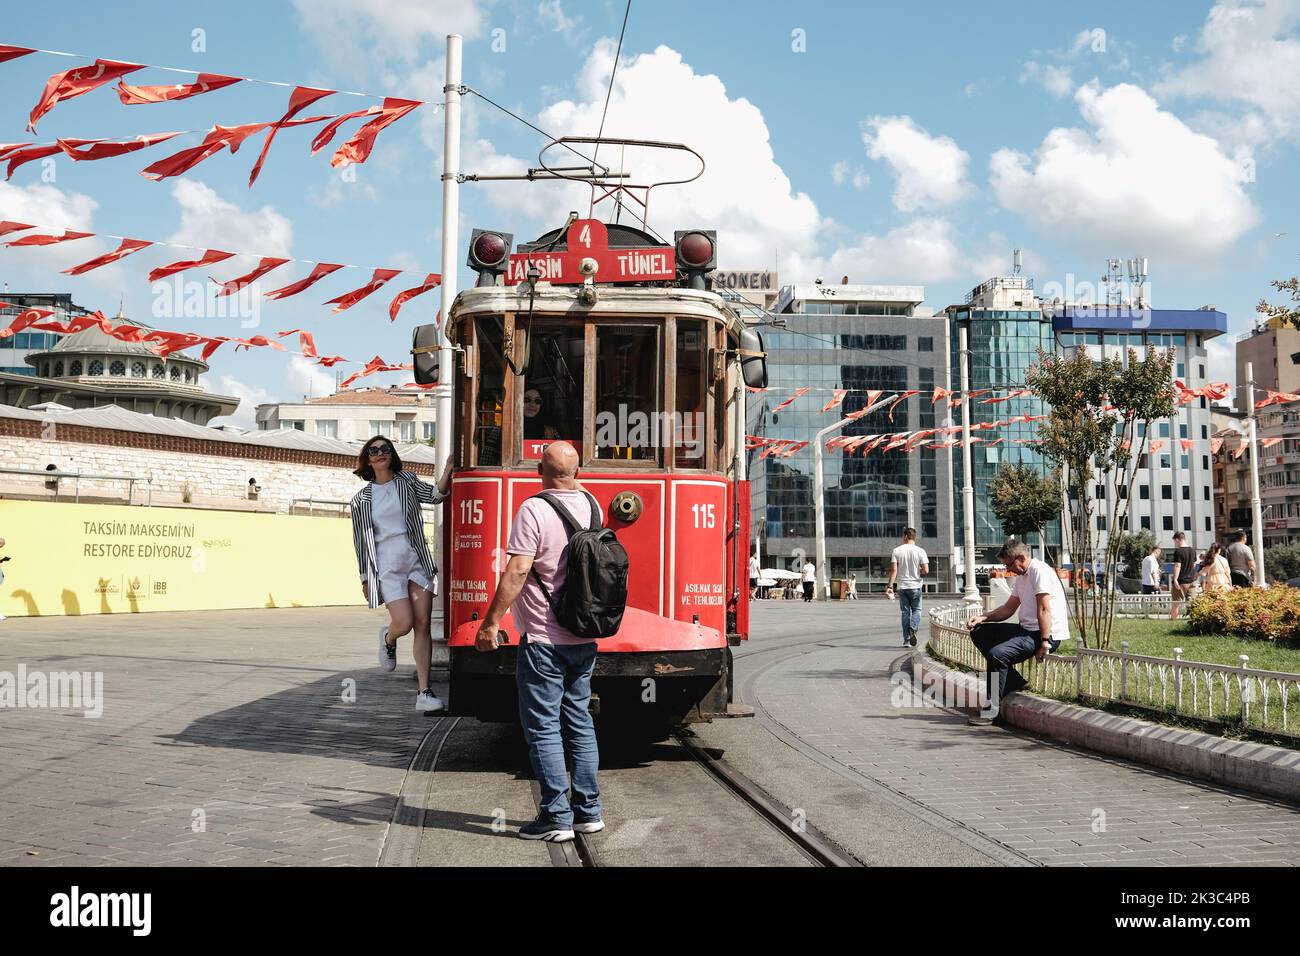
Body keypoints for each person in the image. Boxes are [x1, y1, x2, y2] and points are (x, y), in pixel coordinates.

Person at [475, 442, 603, 843]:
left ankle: (555, 817)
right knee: (580, 721)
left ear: (539, 470)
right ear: (577, 471)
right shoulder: (593, 505)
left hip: (546, 638)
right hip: (584, 636)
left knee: (544, 727)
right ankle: (588, 812)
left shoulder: (534, 509)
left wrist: (490, 622)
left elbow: (517, 571)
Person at [351, 436, 450, 713]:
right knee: (403, 623)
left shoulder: (407, 481)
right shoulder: (361, 500)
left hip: (416, 558)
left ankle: (424, 692)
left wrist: (449, 469)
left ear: (392, 454)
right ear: (368, 459)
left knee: (422, 624)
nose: (380, 453)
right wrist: (364, 577)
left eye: (385, 449)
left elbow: (436, 496)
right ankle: (389, 639)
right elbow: (360, 540)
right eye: (374, 450)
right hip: (387, 565)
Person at [965, 540, 1070, 726]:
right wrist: (983, 618)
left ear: (1021, 558)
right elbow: (1008, 609)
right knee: (979, 631)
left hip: (1045, 634)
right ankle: (1014, 681)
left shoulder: (1040, 571)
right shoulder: (1022, 576)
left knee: (997, 655)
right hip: (1027, 630)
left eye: (1009, 564)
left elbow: (1045, 609)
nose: (1008, 569)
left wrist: (1045, 642)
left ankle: (992, 711)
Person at [885, 528, 929, 647]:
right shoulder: (921, 551)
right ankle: (913, 628)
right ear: (914, 537)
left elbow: (894, 570)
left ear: (905, 536)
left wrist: (890, 586)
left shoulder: (896, 551)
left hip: (902, 587)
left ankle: (906, 640)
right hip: (915, 586)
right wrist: (918, 569)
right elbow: (926, 570)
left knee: (905, 612)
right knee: (917, 610)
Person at [1170, 532, 1197, 620]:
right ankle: (1194, 621)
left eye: (1174, 542)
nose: (1175, 544)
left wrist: (1175, 579)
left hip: (1181, 582)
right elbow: (1194, 565)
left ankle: (1173, 621)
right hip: (1192, 581)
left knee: (1175, 603)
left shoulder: (1178, 551)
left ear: (1177, 539)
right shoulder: (1192, 550)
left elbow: (1177, 566)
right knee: (1192, 603)